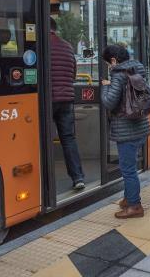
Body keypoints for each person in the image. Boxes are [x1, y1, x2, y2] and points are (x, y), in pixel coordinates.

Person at [101, 44, 150, 219]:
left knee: (128, 169)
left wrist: (105, 86)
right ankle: (128, 198)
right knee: (130, 167)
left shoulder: (118, 75)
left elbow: (108, 102)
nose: (109, 67)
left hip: (126, 129)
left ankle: (135, 206)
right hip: (141, 127)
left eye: (108, 64)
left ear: (114, 61)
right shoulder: (137, 70)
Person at [50, 18, 85, 191]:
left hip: (47, 100)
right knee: (68, 139)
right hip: (66, 99)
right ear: (55, 29)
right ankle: (78, 177)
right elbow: (73, 73)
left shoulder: (39, 45)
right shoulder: (67, 46)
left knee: (40, 139)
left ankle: (44, 181)